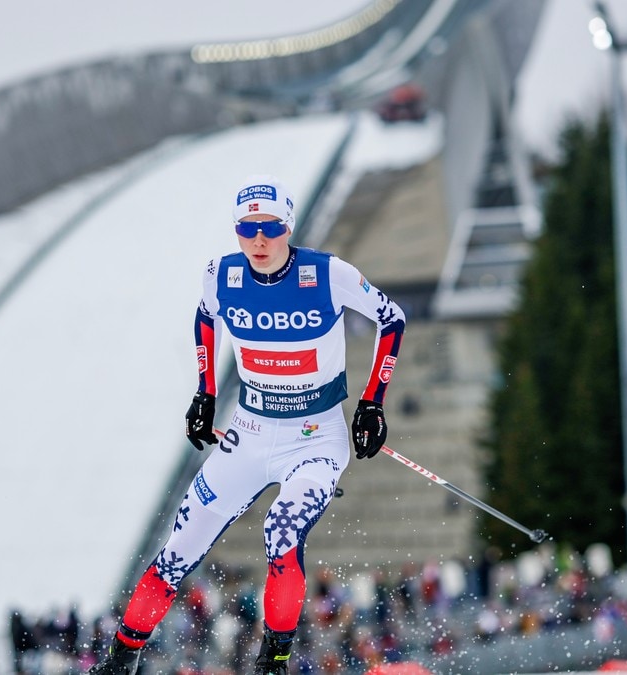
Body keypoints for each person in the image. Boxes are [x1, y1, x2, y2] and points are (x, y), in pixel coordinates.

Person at [90, 175, 405, 674]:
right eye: (247, 228)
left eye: (270, 227)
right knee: (177, 550)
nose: (259, 239)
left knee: (281, 535)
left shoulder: (328, 274)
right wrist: (205, 393)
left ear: (288, 227)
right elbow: (204, 318)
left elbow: (392, 319)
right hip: (249, 436)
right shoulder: (221, 274)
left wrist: (373, 403)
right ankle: (117, 662)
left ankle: (273, 663)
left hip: (315, 441)